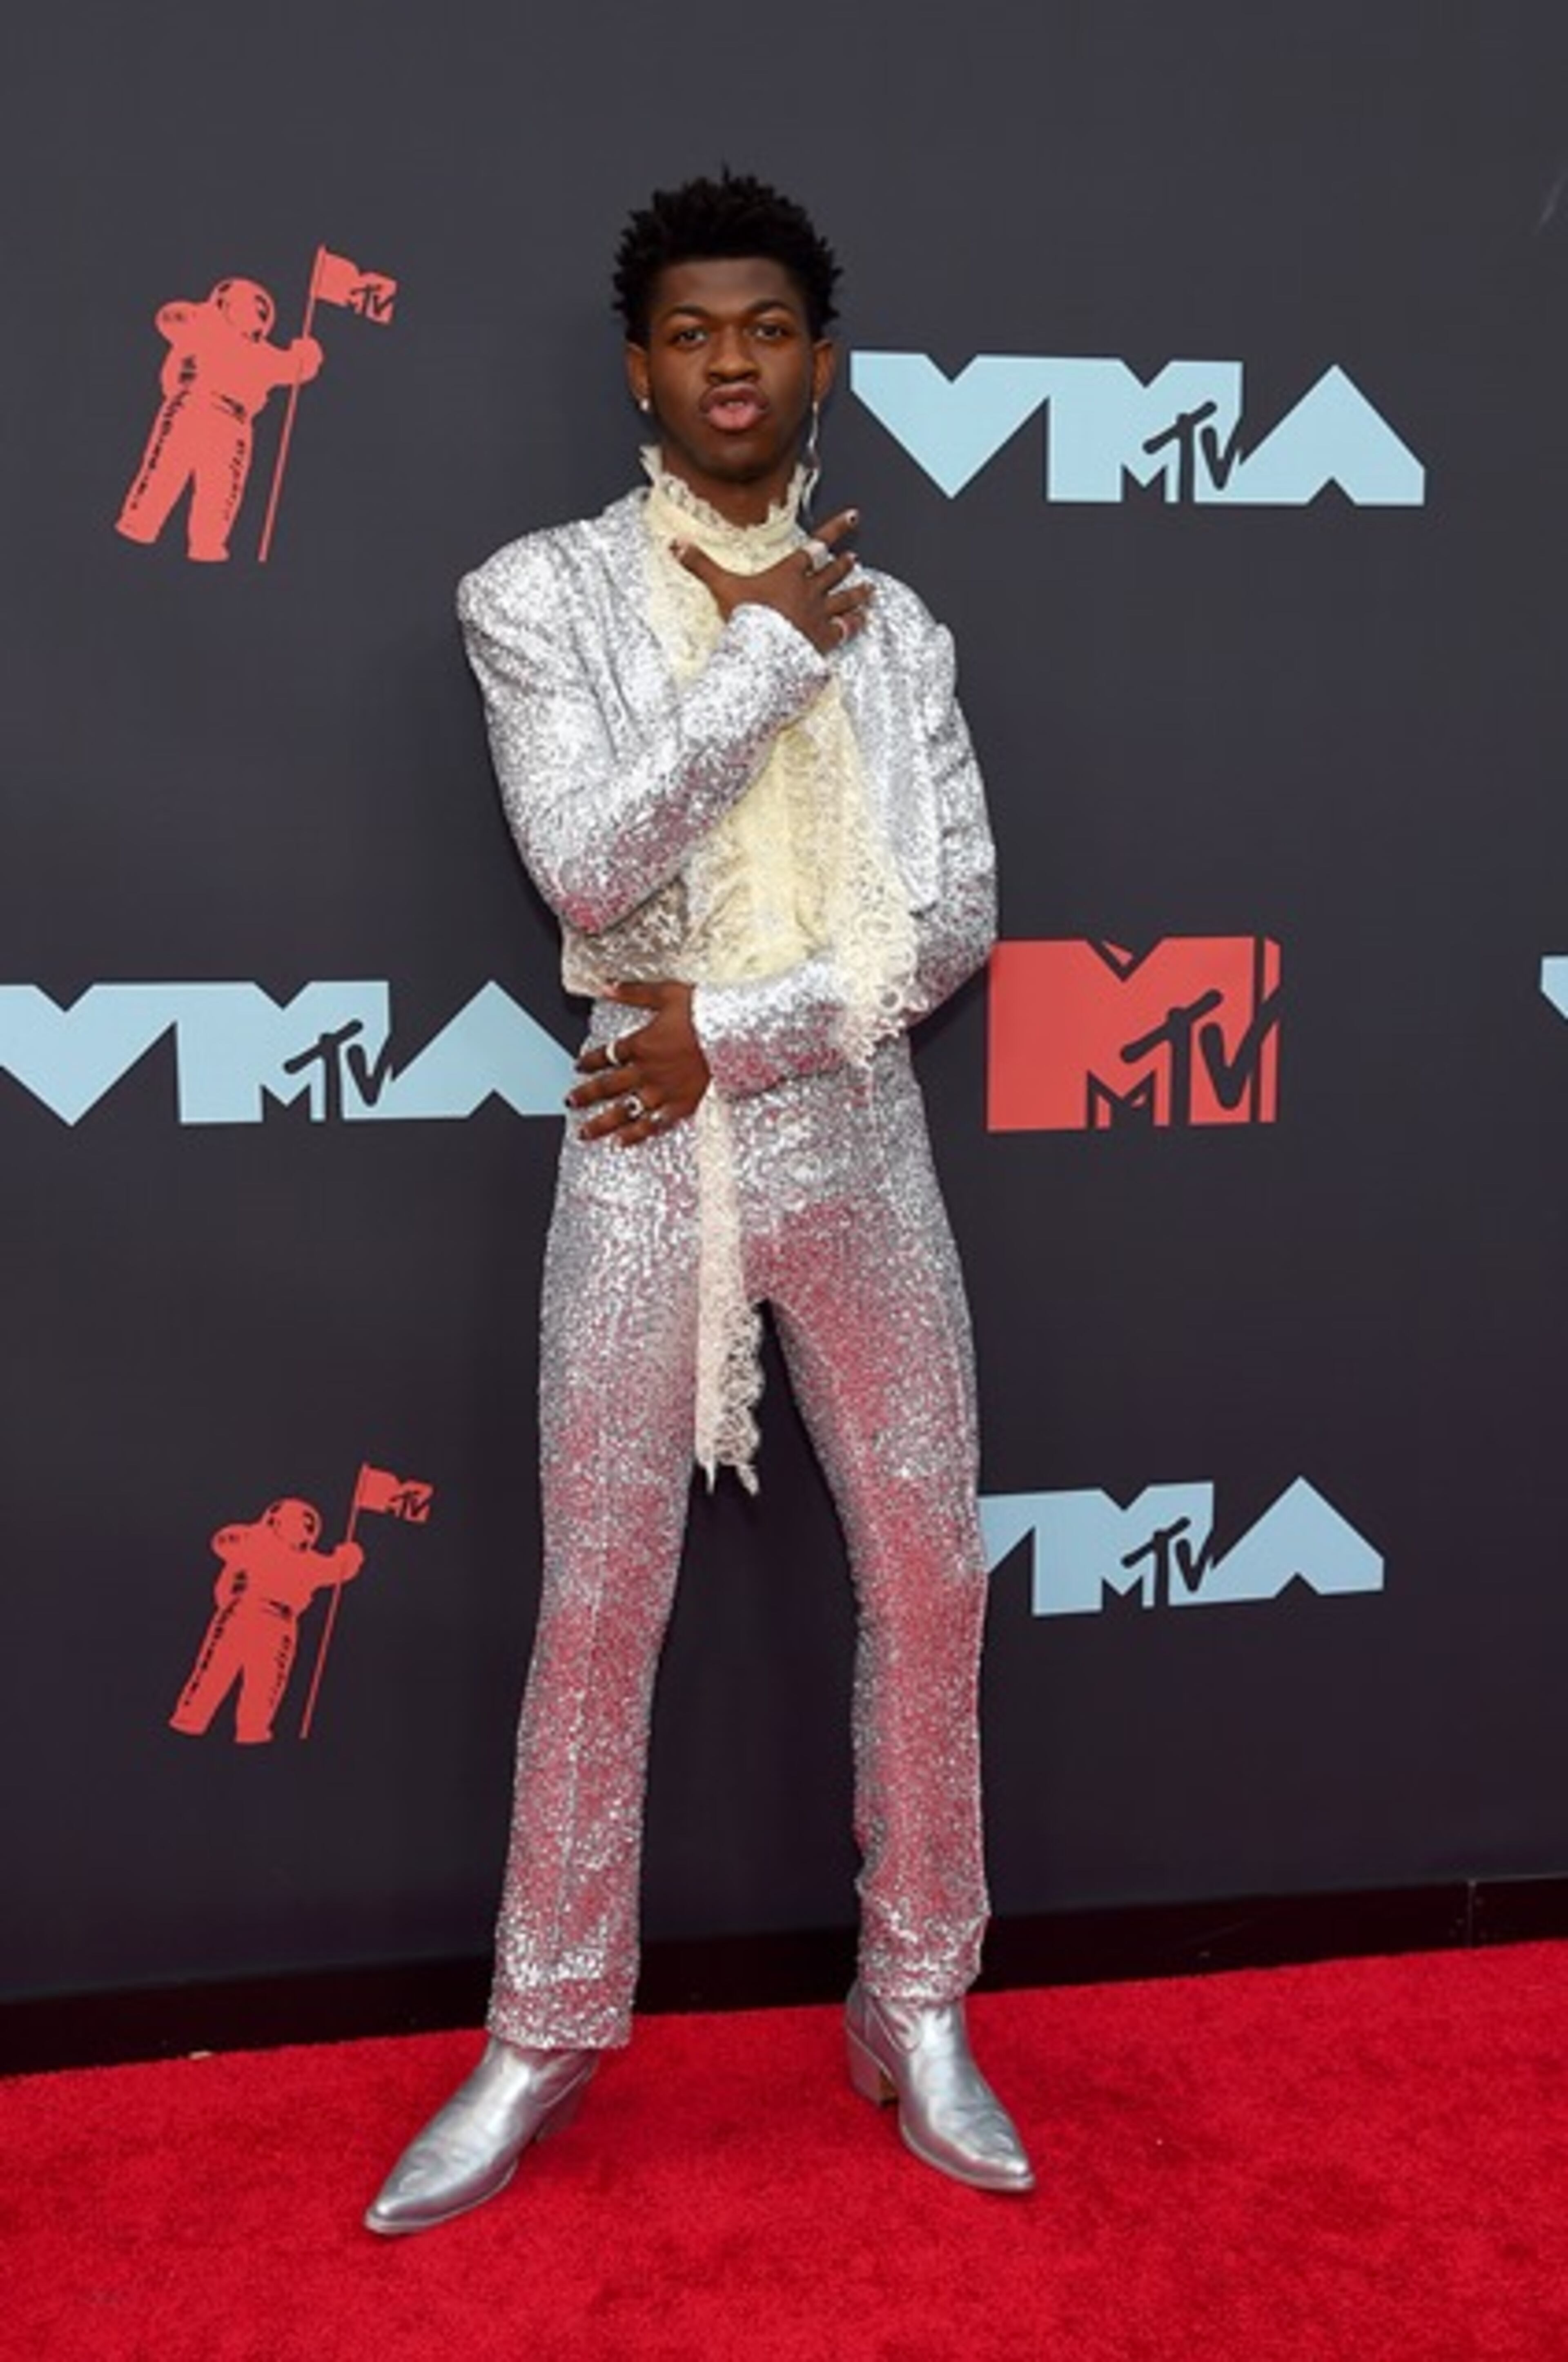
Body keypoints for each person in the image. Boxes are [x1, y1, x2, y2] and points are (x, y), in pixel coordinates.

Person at [366, 171, 1032, 2234]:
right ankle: (545, 2027)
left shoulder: (905, 626)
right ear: (638, 366)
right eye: (689, 330)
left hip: (839, 1139)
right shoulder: (533, 593)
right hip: (642, 1167)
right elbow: (584, 860)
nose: (729, 361)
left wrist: (731, 1030)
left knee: (930, 1580)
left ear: (820, 361)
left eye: (767, 327)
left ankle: (915, 1999)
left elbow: (955, 921)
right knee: (601, 1605)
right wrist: (761, 657)